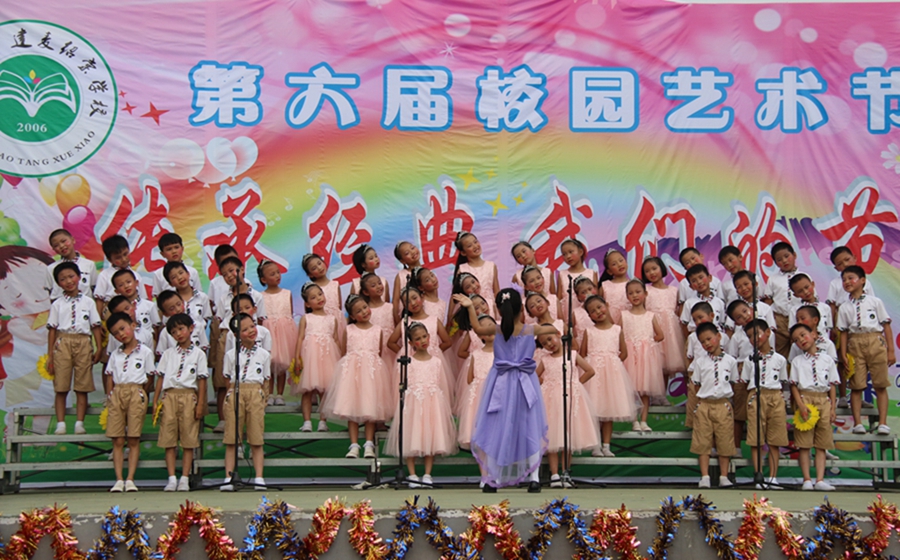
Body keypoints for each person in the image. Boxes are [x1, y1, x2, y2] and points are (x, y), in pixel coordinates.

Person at [454, 288, 557, 493]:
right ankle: (534, 479)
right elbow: (555, 329)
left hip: (501, 381)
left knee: (496, 427)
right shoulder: (531, 330)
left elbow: (477, 328)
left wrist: (470, 307)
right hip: (525, 381)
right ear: (521, 309)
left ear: (499, 310)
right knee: (530, 426)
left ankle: (492, 478)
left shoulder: (497, 330)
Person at [384, 322, 457, 488]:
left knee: (431, 436)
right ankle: (412, 474)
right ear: (410, 343)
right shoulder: (407, 362)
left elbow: (442, 384)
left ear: (430, 337)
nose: (423, 340)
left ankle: (427, 474)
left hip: (432, 403)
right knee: (412, 436)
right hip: (413, 403)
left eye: (425, 336)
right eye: (418, 338)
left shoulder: (437, 361)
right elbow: (400, 386)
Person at [319, 295, 393, 459]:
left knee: (370, 408)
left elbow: (378, 354)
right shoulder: (349, 330)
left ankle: (368, 445)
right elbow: (344, 352)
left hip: (371, 374)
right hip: (351, 374)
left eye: (365, 307)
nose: (364, 312)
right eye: (358, 311)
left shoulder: (378, 330)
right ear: (352, 316)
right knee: (351, 407)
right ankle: (353, 446)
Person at [536, 328, 599, 488]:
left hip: (570, 398)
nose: (549, 344)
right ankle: (554, 474)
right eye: (544, 343)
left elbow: (590, 370)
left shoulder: (572, 355)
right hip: (551, 400)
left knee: (568, 436)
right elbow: (535, 375)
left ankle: (565, 472)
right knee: (552, 437)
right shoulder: (545, 360)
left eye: (550, 339)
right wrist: (547, 385)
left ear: (558, 335)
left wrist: (576, 384)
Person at [836, 265, 894, 435]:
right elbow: (844, 332)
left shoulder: (875, 302)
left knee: (880, 384)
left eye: (851, 278)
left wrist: (891, 351)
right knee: (856, 386)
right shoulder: (844, 307)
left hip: (875, 340)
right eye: (844, 280)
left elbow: (886, 326)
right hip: (855, 343)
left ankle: (883, 423)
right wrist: (843, 354)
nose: (847, 282)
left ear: (862, 280)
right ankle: (858, 424)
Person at [46, 262, 103, 435]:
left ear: (79, 277)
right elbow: (52, 330)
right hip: (63, 341)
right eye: (63, 279)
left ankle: (79, 423)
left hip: (83, 341)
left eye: (71, 276)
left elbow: (95, 326)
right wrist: (50, 356)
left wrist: (99, 347)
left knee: (82, 385)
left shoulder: (89, 302)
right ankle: (61, 424)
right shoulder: (57, 304)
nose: (68, 281)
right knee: (61, 385)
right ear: (58, 283)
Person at [153, 313, 207, 492]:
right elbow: (160, 378)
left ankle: (184, 477)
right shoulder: (168, 354)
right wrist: (156, 400)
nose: (178, 334)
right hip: (169, 395)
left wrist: (200, 404)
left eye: (181, 329)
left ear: (191, 328)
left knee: (188, 438)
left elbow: (202, 381)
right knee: (169, 438)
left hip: (189, 395)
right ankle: (171, 478)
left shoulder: (199, 354)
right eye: (174, 332)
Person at [105, 312, 156, 492]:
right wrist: (111, 395)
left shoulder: (145, 352)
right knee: (118, 439)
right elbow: (109, 376)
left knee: (133, 438)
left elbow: (150, 376)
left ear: (133, 325)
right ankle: (119, 479)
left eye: (123, 328)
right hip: (118, 392)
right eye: (116, 333)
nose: (121, 334)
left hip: (136, 391)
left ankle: (130, 479)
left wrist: (141, 392)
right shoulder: (115, 355)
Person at [580, 295, 636, 457]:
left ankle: (606, 445)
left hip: (611, 376)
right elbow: (582, 354)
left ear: (607, 305)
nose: (598, 312)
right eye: (593, 311)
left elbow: (623, 353)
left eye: (600, 307)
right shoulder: (589, 331)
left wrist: (612, 363)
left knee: (609, 410)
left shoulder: (617, 330)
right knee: (595, 410)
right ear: (589, 316)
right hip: (594, 376)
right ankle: (596, 446)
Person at [221, 313, 270, 491]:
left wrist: (263, 399)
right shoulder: (230, 355)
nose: (251, 331)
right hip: (236, 392)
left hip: (255, 392)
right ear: (236, 335)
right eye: (245, 329)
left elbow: (266, 380)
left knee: (256, 438)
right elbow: (227, 378)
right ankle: (228, 477)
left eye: (252, 326)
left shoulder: (264, 354)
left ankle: (259, 477)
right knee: (232, 438)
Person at [789, 323, 838, 491]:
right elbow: (794, 386)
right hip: (805, 399)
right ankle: (807, 479)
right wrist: (801, 405)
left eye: (803, 335)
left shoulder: (827, 360)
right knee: (804, 443)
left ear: (814, 334)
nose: (801, 340)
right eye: (796, 340)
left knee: (821, 443)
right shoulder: (797, 362)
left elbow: (832, 385)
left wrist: (832, 408)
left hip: (823, 399)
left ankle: (820, 480)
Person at [740, 319, 788, 490]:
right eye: (749, 336)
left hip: (775, 395)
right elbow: (745, 382)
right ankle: (758, 475)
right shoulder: (749, 360)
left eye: (756, 334)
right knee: (756, 439)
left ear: (768, 332)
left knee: (775, 439)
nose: (753, 339)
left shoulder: (780, 359)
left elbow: (783, 380)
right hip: (756, 395)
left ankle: (773, 478)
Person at [689, 322, 737, 489]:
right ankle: (705, 476)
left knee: (724, 439)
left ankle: (724, 476)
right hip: (705, 404)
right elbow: (696, 385)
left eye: (709, 339)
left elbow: (732, 382)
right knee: (703, 440)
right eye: (703, 342)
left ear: (719, 336)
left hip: (723, 404)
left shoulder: (730, 361)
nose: (707, 344)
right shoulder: (700, 362)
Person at [295, 282, 340, 432]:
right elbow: (300, 338)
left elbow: (336, 339)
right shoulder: (306, 318)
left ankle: (322, 421)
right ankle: (307, 421)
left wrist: (340, 359)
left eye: (320, 294)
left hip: (327, 357)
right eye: (313, 297)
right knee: (307, 390)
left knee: (324, 390)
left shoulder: (332, 319)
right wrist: (297, 357)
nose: (319, 298)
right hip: (310, 358)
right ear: (307, 304)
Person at [621, 279, 664, 431]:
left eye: (638, 292)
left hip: (645, 357)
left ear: (645, 294)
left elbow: (660, 334)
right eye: (631, 293)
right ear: (627, 296)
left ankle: (644, 421)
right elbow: (618, 334)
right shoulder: (623, 315)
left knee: (645, 390)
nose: (634, 295)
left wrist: (648, 343)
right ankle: (634, 421)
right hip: (629, 357)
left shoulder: (650, 315)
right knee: (631, 391)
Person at [258, 259, 296, 405]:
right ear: (264, 279)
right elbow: (260, 318)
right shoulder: (260, 296)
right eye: (272, 274)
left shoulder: (287, 293)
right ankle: (268, 394)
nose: (277, 276)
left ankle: (280, 394)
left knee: (282, 364)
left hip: (284, 334)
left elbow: (289, 316)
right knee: (269, 364)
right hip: (268, 332)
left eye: (278, 272)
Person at [643, 256, 685, 381]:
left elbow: (678, 312)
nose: (652, 273)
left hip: (671, 332)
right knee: (656, 363)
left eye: (654, 268)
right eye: (647, 271)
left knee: (668, 363)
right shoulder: (646, 290)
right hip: (654, 330)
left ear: (661, 268)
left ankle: (667, 392)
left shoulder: (674, 290)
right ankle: (657, 392)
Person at [763, 241, 803, 359]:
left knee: (799, 350)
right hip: (779, 320)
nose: (784, 261)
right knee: (780, 351)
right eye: (779, 259)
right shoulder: (773, 279)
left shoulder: (804, 276)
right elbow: (768, 301)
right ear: (775, 263)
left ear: (794, 255)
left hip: (798, 318)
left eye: (787, 256)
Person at [94, 234, 144, 313]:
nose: (123, 259)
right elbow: (99, 300)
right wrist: (99, 319)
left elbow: (143, 298)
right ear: (109, 259)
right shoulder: (104, 275)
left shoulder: (136, 275)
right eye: (118, 257)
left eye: (125, 254)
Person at [45, 228, 96, 302]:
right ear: (53, 249)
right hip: (62, 308)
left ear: (73, 240)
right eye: (56, 245)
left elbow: (94, 289)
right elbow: (50, 292)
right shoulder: (51, 268)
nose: (61, 246)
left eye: (63, 241)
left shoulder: (89, 264)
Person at [302, 253, 343, 339]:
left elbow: (339, 307)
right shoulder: (311, 289)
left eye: (319, 263)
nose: (319, 268)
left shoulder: (335, 285)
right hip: (320, 326)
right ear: (310, 274)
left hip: (337, 323)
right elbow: (308, 311)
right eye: (314, 268)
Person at [454, 231, 500, 304]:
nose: (475, 246)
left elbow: (496, 292)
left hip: (490, 306)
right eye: (470, 246)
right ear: (463, 252)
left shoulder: (491, 266)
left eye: (475, 242)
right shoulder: (462, 269)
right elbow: (458, 295)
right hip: (472, 307)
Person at [152, 233, 202, 297]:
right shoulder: (158, 274)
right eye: (169, 249)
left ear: (182, 248)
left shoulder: (192, 271)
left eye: (176, 247)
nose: (174, 251)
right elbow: (158, 296)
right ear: (162, 254)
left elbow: (198, 293)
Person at [557, 238, 597, 304]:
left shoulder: (591, 273)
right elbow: (559, 299)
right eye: (564, 254)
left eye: (571, 252)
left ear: (580, 252)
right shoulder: (562, 274)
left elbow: (596, 297)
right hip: (568, 310)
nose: (568, 256)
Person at [392, 241, 422, 323]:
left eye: (412, 248)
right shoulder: (401, 276)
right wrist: (398, 323)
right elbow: (395, 302)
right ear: (402, 261)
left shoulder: (426, 273)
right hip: (409, 320)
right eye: (407, 253)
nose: (412, 252)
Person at [599, 248, 630, 325]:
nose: (619, 264)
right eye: (614, 264)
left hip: (630, 324)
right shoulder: (605, 286)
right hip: (610, 325)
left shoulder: (634, 285)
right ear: (609, 271)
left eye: (621, 260)